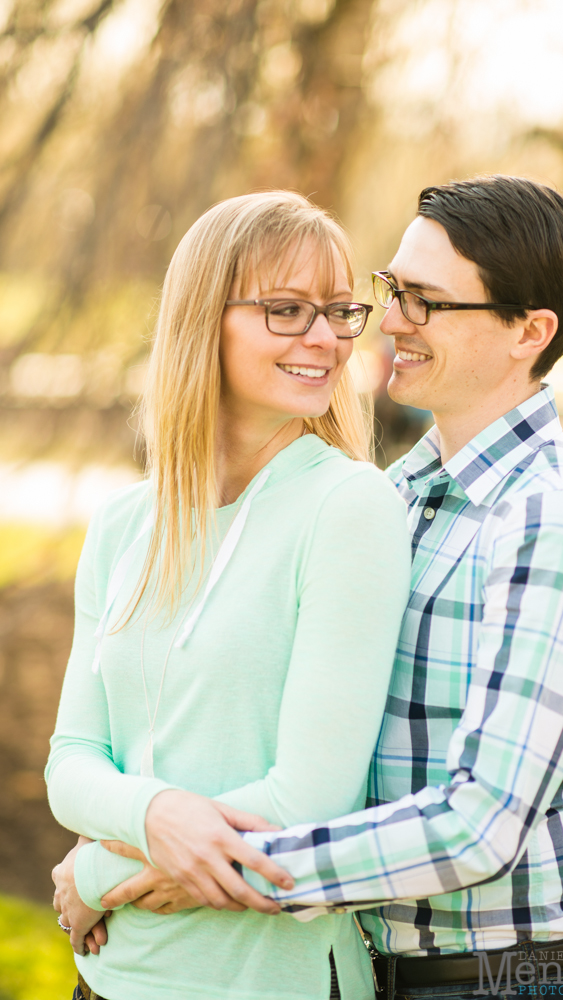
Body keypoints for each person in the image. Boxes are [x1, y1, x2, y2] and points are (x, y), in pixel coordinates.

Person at [71, 176, 563, 1000]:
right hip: (374, 964)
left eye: (426, 301)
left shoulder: (554, 517)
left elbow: (477, 826)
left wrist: (171, 864)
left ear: (529, 331)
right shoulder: (403, 493)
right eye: (392, 290)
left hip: (505, 976)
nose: (389, 321)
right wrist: (146, 831)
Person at [46, 190, 412, 1000]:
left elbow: (307, 798)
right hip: (108, 978)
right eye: (286, 310)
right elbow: (70, 766)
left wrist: (100, 869)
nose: (324, 339)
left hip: (268, 978)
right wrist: (159, 815)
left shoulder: (349, 507)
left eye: (338, 311)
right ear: (202, 319)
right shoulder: (122, 523)